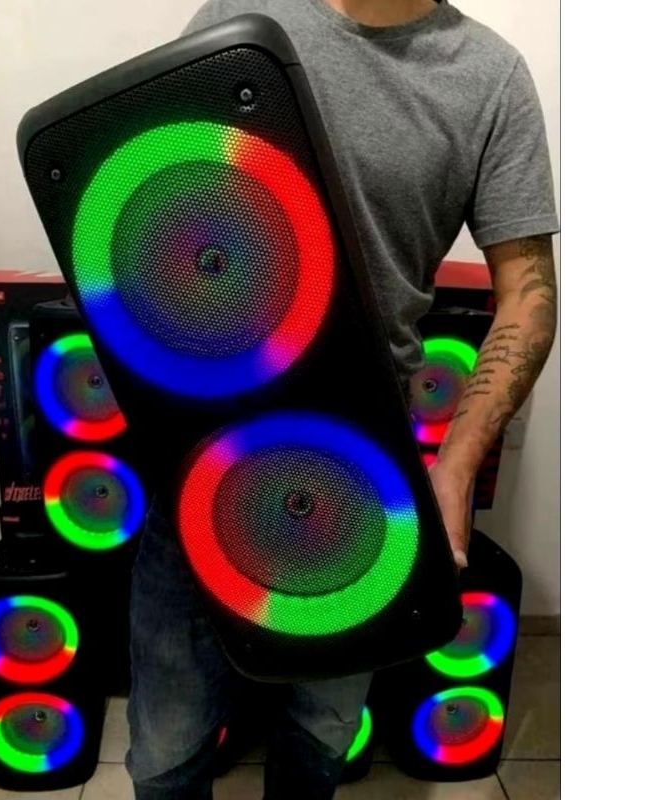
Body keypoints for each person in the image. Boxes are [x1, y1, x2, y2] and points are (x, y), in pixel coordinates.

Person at [124, 1, 559, 798]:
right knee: (167, 739)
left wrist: (456, 468)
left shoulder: (490, 77)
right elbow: (151, 189)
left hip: (361, 472)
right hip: (212, 447)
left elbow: (528, 296)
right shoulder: (242, 13)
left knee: (321, 729)